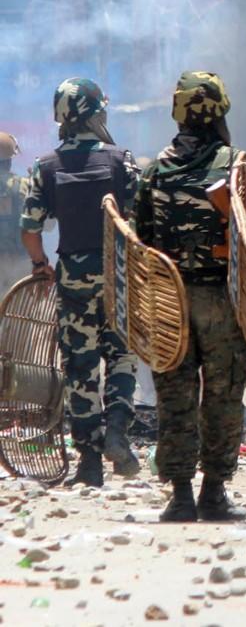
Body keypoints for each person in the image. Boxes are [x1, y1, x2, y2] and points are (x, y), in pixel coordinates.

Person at [133, 71, 246, 523]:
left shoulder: (154, 170)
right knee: (223, 394)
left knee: (175, 394)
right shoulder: (237, 165)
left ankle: (180, 495)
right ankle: (214, 493)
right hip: (221, 298)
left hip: (169, 300)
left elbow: (138, 238)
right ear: (220, 111)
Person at [20, 78, 139, 487]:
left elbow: (31, 229)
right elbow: (143, 225)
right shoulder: (122, 160)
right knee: (121, 356)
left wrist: (40, 265)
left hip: (72, 279)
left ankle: (89, 463)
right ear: (95, 114)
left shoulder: (46, 166)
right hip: (119, 278)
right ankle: (119, 429)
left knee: (81, 366)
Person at [0, 132, 31, 293]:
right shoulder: (25, 186)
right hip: (20, 263)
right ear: (10, 160)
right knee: (20, 313)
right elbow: (46, 225)